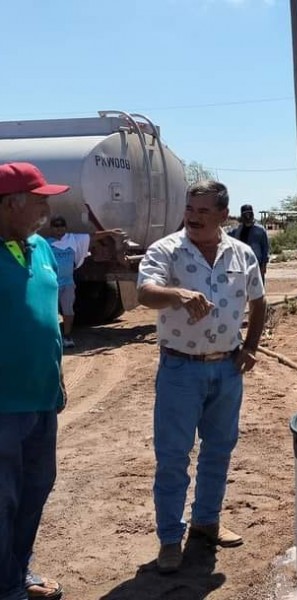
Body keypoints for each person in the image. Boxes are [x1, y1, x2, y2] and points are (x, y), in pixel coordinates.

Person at [137, 180, 267, 574]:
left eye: (203, 211)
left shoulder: (243, 254)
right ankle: (170, 540)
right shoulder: (167, 250)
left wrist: (251, 347)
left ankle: (207, 523)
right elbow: (145, 292)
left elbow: (259, 302)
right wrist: (178, 295)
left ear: (223, 215)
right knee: (173, 456)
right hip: (180, 368)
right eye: (190, 210)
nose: (192, 217)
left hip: (227, 369)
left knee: (219, 449)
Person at [0, 162, 70, 600]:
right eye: (39, 198)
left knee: (35, 489)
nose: (48, 207)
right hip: (3, 405)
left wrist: (57, 378)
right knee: (2, 500)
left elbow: (50, 321)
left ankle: (16, 572)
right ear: (11, 204)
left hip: (42, 398)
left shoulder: (40, 247)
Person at [46, 217, 122, 348]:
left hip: (68, 283)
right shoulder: (46, 243)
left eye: (61, 226)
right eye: (56, 226)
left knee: (68, 311)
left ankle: (67, 336)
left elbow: (92, 236)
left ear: (65, 228)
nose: (59, 229)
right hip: (51, 283)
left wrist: (109, 232)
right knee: (50, 311)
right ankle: (51, 336)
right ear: (51, 229)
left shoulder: (73, 240)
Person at [228, 204, 269, 280]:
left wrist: (264, 265)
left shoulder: (260, 230)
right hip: (240, 264)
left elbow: (265, 248)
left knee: (257, 289)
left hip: (256, 264)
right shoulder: (236, 230)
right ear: (241, 216)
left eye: (249, 214)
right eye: (245, 214)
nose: (248, 217)